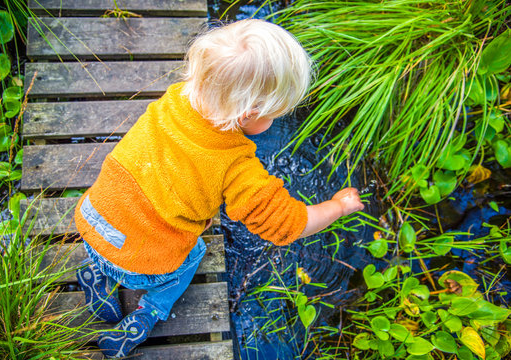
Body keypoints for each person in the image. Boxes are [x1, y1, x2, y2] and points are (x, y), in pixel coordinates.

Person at [73, 19, 364, 358]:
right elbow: (290, 225)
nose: (274, 122)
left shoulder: (176, 98)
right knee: (193, 253)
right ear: (248, 113)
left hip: (92, 219)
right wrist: (339, 206)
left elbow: (177, 170)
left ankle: (95, 271)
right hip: (138, 265)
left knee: (132, 226)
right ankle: (148, 312)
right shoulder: (236, 166)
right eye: (273, 115)